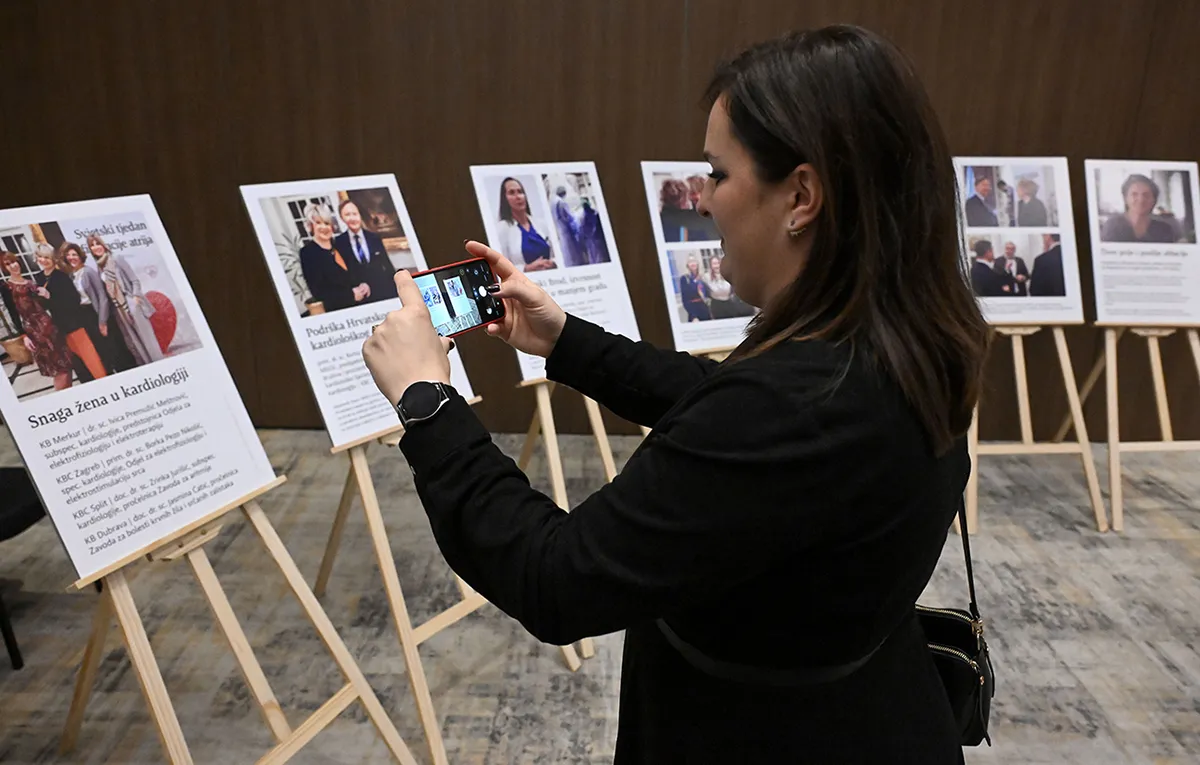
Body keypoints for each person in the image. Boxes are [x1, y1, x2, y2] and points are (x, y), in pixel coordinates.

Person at [363, 24, 987, 764]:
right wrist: (565, 341)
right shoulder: (908, 334)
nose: (703, 199)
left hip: (755, 733)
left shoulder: (792, 402)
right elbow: (724, 407)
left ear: (802, 196)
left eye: (717, 174)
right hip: (872, 702)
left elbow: (556, 577)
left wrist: (429, 404)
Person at [31, 243, 108, 383]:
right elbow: (43, 305)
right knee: (76, 363)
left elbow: (74, 302)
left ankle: (104, 383)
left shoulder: (61, 276)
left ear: (53, 259)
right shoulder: (39, 278)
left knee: (91, 358)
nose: (43, 260)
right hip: (58, 326)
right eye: (40, 257)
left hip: (74, 323)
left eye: (47, 257)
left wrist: (50, 296)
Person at [0, 251, 75, 390]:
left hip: (50, 325)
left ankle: (69, 393)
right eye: (8, 264)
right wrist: (24, 336)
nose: (13, 266)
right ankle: (63, 397)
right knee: (59, 368)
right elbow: (13, 314)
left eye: (14, 261)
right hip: (35, 331)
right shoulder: (7, 287)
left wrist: (46, 295)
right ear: (5, 268)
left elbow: (43, 305)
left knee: (67, 363)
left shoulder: (30, 282)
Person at [87, 234, 164, 366]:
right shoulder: (100, 267)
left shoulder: (116, 259)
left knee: (148, 341)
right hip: (119, 310)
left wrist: (135, 298)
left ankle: (160, 367)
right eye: (92, 246)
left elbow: (134, 280)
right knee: (135, 344)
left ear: (103, 244)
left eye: (97, 243)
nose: (96, 247)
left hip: (130, 304)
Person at [59, 242, 137, 373]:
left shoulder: (89, 272)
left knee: (115, 349)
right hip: (86, 316)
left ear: (80, 256)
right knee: (102, 351)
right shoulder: (72, 275)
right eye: (68, 255)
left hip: (98, 313)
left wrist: (102, 322)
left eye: (74, 254)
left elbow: (102, 297)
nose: (71, 257)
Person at [334, 199, 398, 303]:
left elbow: (387, 266)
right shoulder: (338, 243)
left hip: (383, 293)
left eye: (355, 214)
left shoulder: (374, 237)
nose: (352, 218)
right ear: (342, 218)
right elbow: (342, 275)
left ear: (360, 215)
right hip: (360, 299)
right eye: (347, 214)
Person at [494, 177, 556, 272]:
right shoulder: (501, 229)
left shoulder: (542, 224)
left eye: (520, 192)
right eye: (512, 193)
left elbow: (558, 254)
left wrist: (552, 263)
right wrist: (526, 268)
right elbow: (501, 266)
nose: (518, 197)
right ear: (504, 199)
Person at [1100, 173, 1178, 243]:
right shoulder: (1113, 226)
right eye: (1134, 194)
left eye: (1146, 195)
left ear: (1154, 200)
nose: (1141, 200)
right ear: (1125, 198)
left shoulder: (1164, 229)